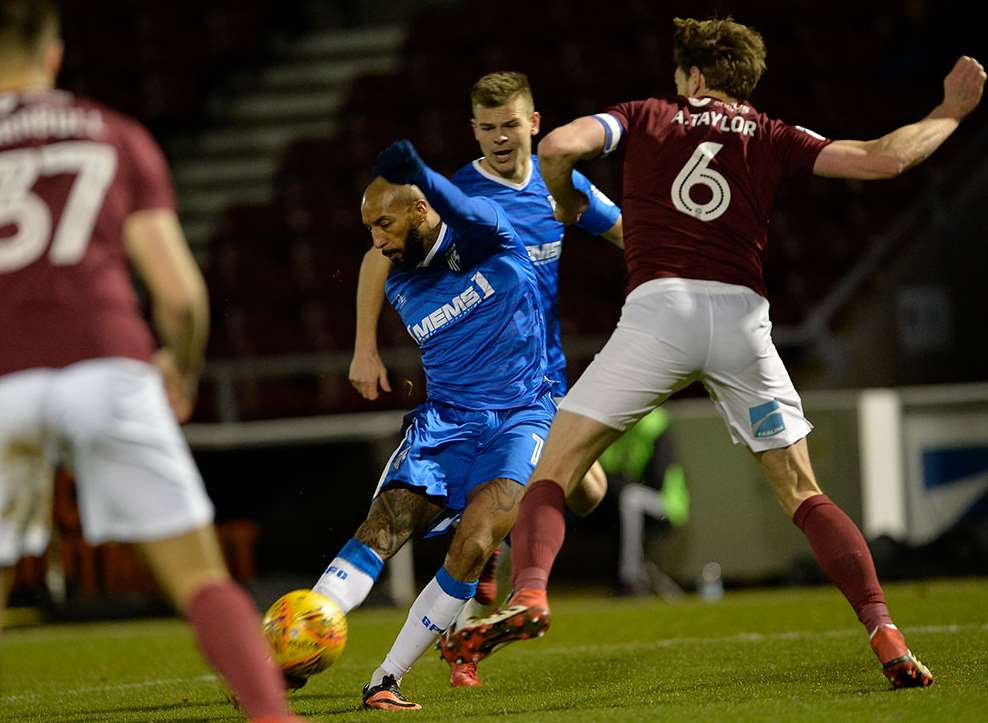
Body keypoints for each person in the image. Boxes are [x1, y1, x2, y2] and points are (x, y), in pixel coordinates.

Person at [447, 16, 985, 690]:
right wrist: (950, 110)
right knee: (801, 490)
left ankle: (530, 590)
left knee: (555, 465)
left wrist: (560, 200)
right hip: (741, 321)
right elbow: (884, 158)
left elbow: (556, 145)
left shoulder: (648, 114)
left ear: (693, 76)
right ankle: (886, 633)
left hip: (659, 313)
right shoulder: (771, 132)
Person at [0, 3, 303, 721]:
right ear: (54, 56)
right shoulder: (116, 133)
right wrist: (183, 369)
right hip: (109, 363)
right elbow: (182, 295)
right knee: (200, 576)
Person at [347, 70, 623, 687]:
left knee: (589, 490)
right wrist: (366, 346)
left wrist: (673, 279)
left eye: (510, 125)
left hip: (546, 370)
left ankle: (491, 570)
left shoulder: (562, 185)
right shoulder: (456, 195)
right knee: (516, 487)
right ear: (474, 130)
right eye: (488, 127)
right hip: (484, 385)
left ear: (534, 124)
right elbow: (376, 255)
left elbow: (626, 233)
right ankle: (486, 615)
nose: (500, 137)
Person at [306, 139, 555, 711]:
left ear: (422, 210)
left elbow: (462, 211)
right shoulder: (390, 265)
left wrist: (420, 175)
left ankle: (385, 679)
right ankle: (300, 637)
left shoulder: (487, 234)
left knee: (473, 545)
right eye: (369, 227)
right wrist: (364, 348)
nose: (377, 239)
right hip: (445, 422)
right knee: (385, 528)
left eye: (386, 223)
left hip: (520, 416)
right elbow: (372, 261)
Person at [598, 408, 688, 596]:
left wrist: (622, 482)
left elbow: (658, 477)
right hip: (625, 500)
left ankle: (630, 578)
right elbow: (605, 476)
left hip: (666, 504)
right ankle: (621, 573)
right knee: (620, 499)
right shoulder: (611, 426)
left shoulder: (653, 422)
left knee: (631, 497)